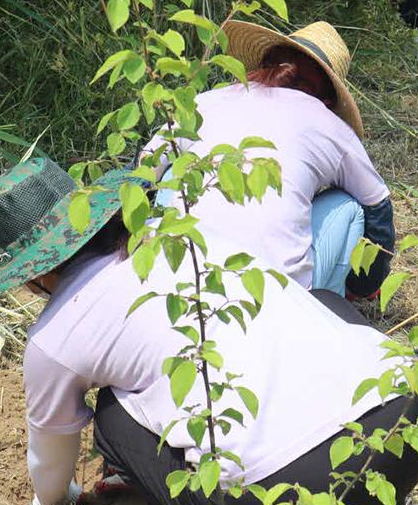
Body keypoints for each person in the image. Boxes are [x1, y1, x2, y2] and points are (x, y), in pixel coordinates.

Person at [0, 158, 418, 505]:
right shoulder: (184, 237)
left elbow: (51, 461)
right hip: (404, 423)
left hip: (280, 496)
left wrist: (48, 503)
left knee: (112, 412)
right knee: (324, 301)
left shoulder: (55, 338)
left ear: (32, 274)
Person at [148, 20, 394, 299]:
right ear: (328, 97)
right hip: (276, 299)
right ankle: (330, 313)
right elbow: (378, 205)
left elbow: (143, 171)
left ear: (264, 64)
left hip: (178, 277)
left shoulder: (206, 100)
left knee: (170, 173)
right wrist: (366, 284)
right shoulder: (328, 123)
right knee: (350, 205)